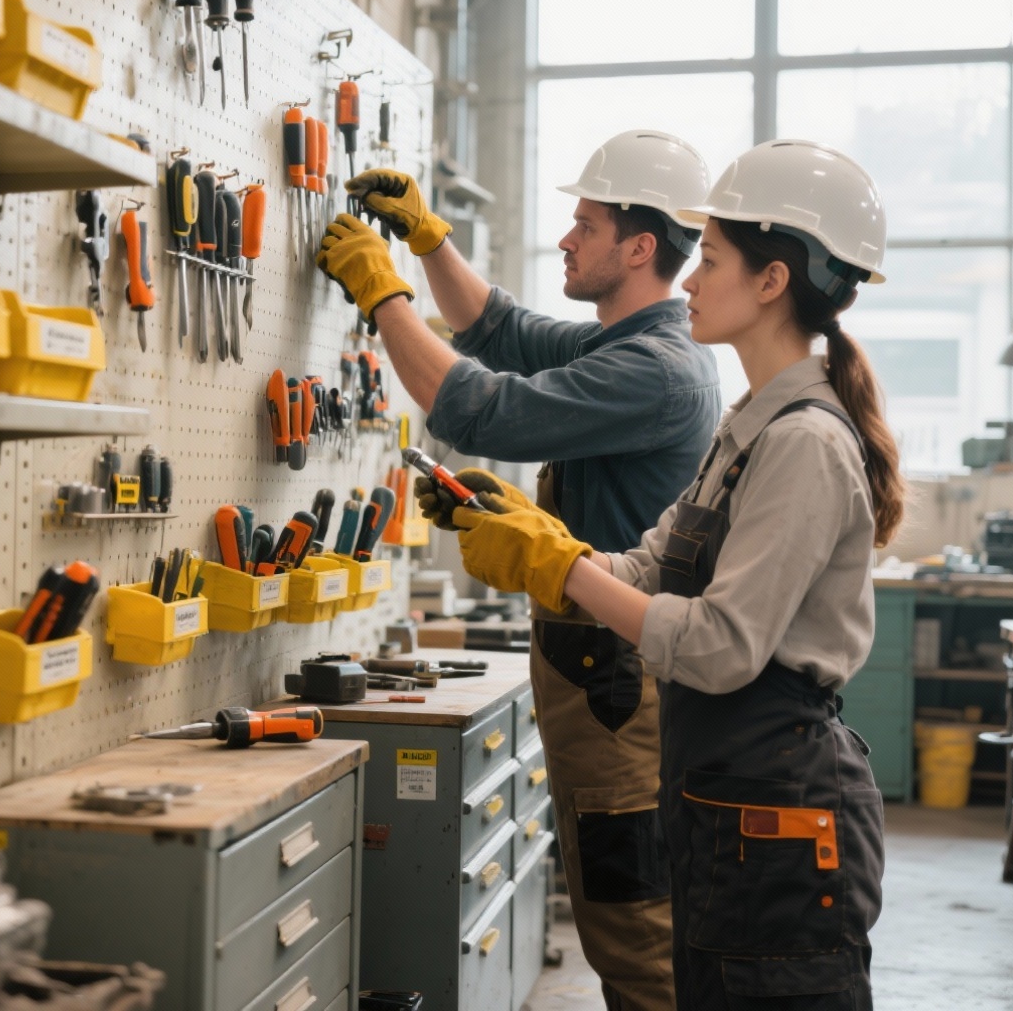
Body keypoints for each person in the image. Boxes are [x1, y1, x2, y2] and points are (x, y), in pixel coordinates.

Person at [420, 138, 902, 1011]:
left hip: (776, 804)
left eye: (708, 260)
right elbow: (648, 567)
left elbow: (719, 644)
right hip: (718, 782)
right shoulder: (750, 426)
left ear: (772, 280)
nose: (688, 284)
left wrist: (560, 565)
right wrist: (536, 538)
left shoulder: (804, 442)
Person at [316, 130, 722, 1011]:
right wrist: (430, 241)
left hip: (617, 686)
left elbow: (478, 408)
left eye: (586, 225)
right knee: (618, 916)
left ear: (639, 247)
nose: (567, 240)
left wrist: (384, 294)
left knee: (636, 934)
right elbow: (501, 331)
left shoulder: (656, 371)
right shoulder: (631, 343)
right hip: (596, 675)